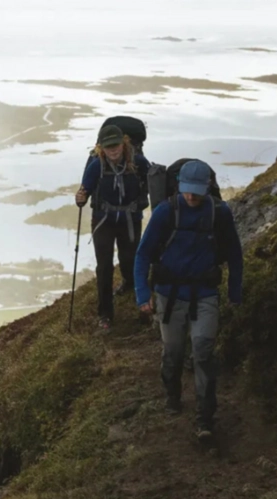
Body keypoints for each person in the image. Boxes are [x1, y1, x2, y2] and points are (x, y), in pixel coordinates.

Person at [133, 159, 243, 441]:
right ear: (179, 185)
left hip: (205, 294)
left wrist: (234, 290)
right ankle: (173, 394)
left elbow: (234, 253)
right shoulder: (164, 213)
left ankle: (205, 418)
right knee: (173, 352)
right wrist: (143, 294)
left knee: (203, 350)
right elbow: (143, 254)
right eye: (186, 190)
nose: (191, 196)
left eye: (196, 191)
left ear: (208, 187)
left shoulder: (220, 213)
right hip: (169, 295)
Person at [75, 123, 154, 333]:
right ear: (101, 147)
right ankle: (105, 314)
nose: (113, 150)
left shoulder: (137, 161)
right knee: (104, 267)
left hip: (129, 218)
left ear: (124, 143)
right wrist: (80, 198)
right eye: (108, 147)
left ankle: (131, 286)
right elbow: (84, 191)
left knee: (131, 259)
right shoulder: (96, 165)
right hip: (104, 221)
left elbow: (152, 179)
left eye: (116, 145)